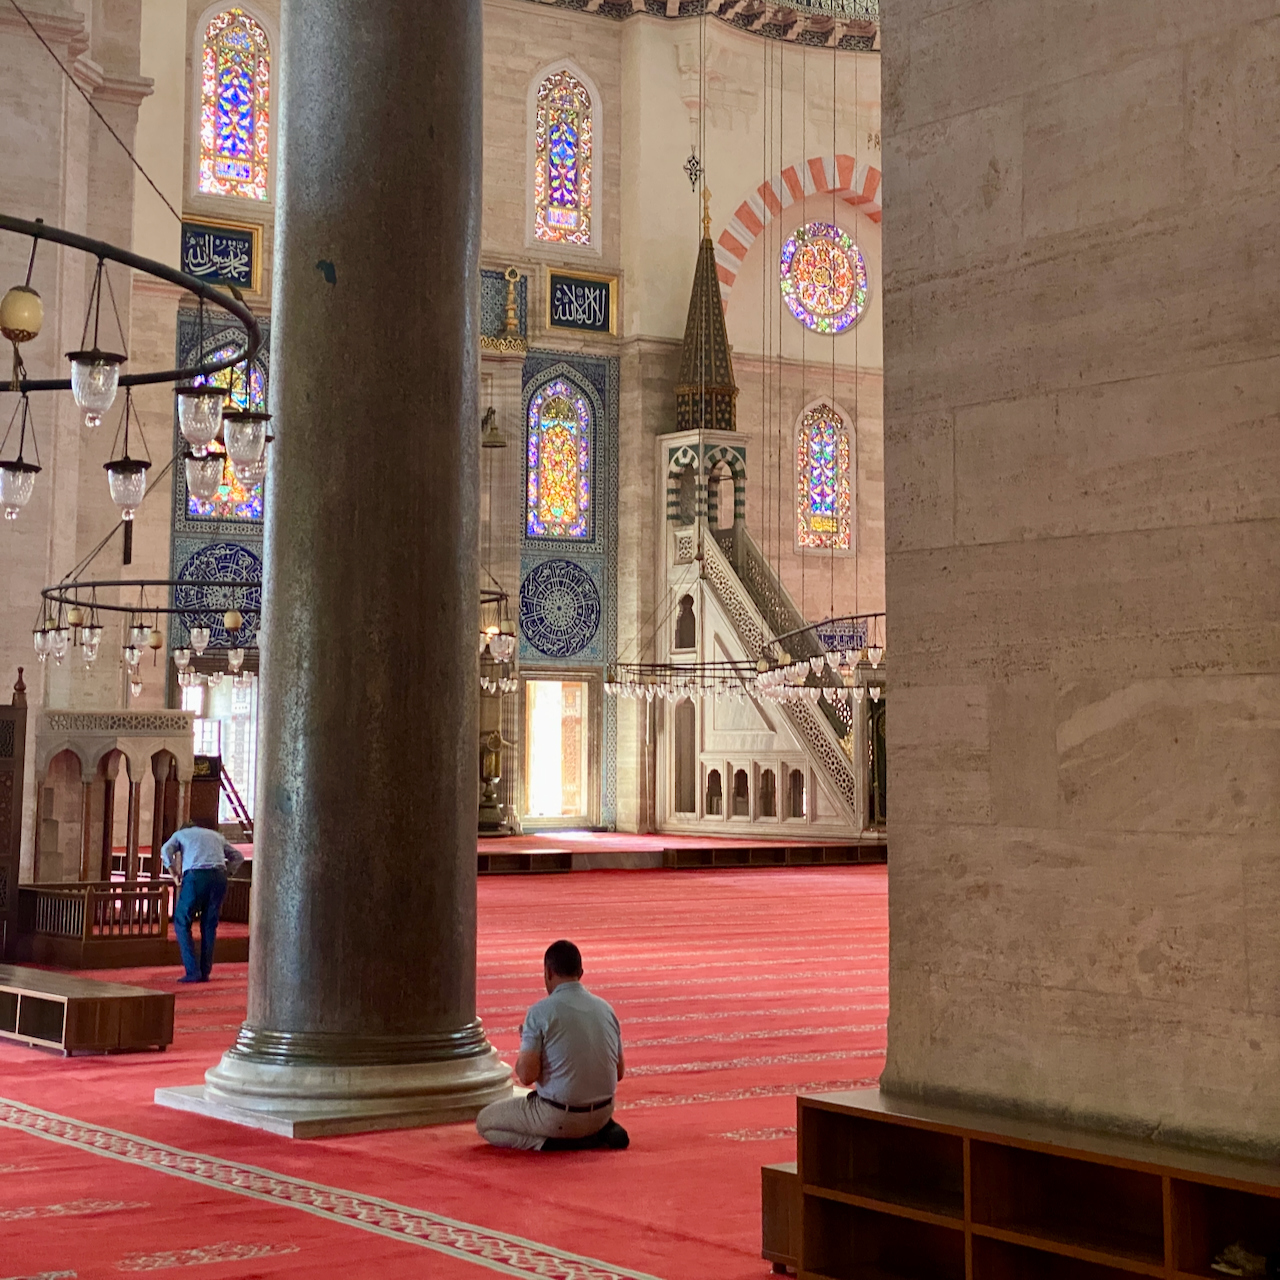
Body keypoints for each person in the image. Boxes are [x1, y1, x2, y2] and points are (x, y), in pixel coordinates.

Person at [476, 939, 629, 1152]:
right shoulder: (606, 1009)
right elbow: (619, 1072)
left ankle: (552, 1142)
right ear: (581, 972)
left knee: (485, 1122)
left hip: (558, 1116)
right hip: (604, 1112)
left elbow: (527, 1075)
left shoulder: (540, 1012)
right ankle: (597, 1130)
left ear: (548, 972)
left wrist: (526, 1044)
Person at [159, 818, 245, 984]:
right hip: (219, 877)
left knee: (181, 921)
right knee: (209, 924)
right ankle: (205, 971)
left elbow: (165, 850)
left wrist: (174, 873)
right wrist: (229, 873)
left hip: (196, 877)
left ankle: (193, 970)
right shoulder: (215, 835)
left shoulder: (181, 834)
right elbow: (238, 856)